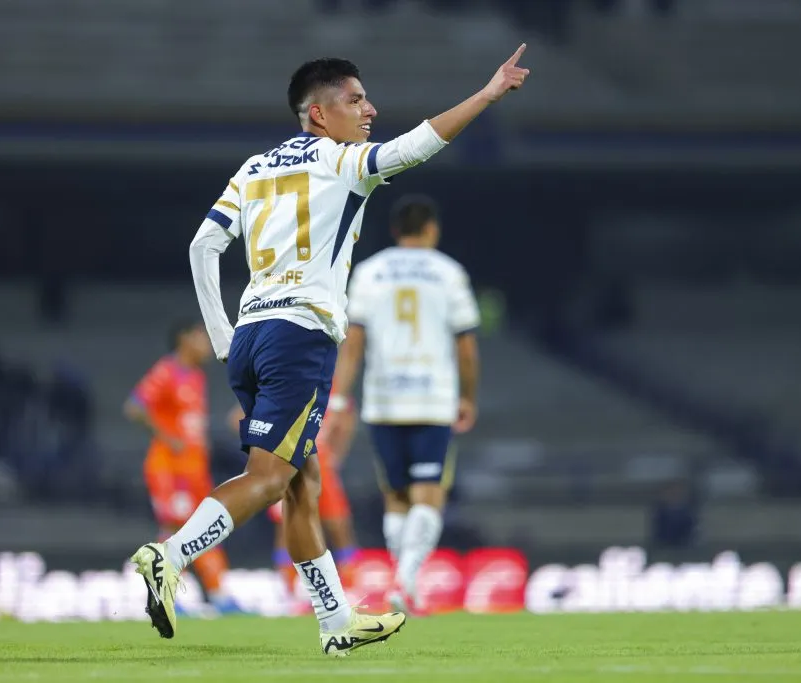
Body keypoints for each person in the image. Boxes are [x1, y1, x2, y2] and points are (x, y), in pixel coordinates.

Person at [127, 46, 530, 655]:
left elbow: (201, 247)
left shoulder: (254, 167)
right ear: (318, 114)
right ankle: (170, 555)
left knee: (301, 483)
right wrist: (488, 94)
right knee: (269, 478)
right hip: (301, 337)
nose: (370, 109)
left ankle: (335, 621)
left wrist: (220, 337)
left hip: (252, 337)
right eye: (355, 100)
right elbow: (421, 143)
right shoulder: (343, 163)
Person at [324, 196, 480, 615]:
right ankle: (407, 581)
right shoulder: (449, 273)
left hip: (384, 400)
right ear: (431, 229)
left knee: (396, 497)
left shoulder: (370, 272)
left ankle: (401, 578)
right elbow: (466, 345)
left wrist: (338, 398)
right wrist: (467, 396)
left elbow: (353, 341)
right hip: (433, 399)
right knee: (429, 494)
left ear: (395, 231)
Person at [124, 320, 239, 614]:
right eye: (201, 337)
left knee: (206, 527)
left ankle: (218, 594)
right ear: (184, 339)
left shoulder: (196, 376)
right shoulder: (167, 371)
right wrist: (168, 438)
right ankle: (167, 596)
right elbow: (135, 406)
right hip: (169, 468)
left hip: (194, 468)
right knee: (175, 528)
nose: (206, 344)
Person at [226, 391, 360, 593]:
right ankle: (288, 586)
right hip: (290, 462)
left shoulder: (332, 388)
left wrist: (337, 454)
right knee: (287, 525)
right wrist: (266, 444)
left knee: (338, 525)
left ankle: (350, 584)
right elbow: (235, 418)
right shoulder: (281, 385)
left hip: (322, 466)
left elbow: (347, 419)